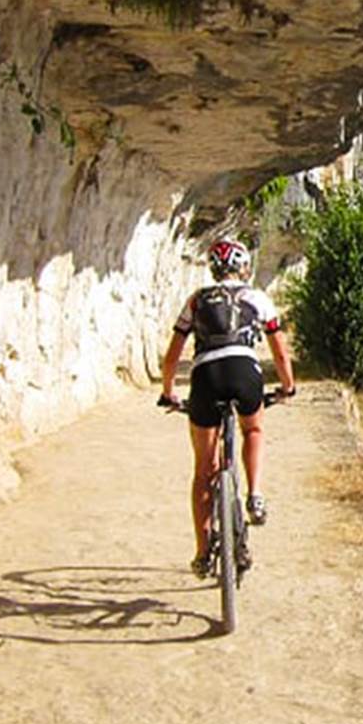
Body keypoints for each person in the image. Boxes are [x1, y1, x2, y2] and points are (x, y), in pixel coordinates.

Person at [158, 238, 296, 577]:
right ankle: (256, 494)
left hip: (206, 376)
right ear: (244, 267)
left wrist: (167, 392)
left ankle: (203, 552)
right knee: (253, 427)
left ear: (213, 269)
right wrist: (288, 386)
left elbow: (173, 354)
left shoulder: (197, 299)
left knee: (204, 470)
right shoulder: (256, 298)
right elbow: (278, 349)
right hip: (244, 372)